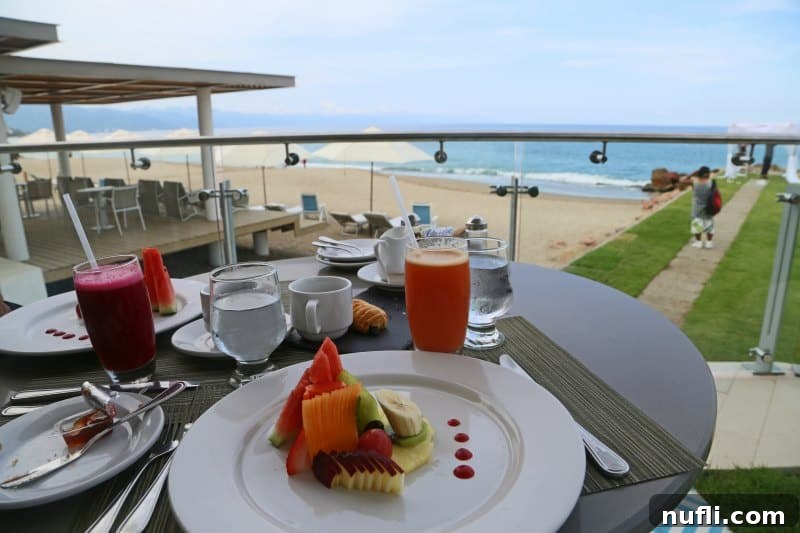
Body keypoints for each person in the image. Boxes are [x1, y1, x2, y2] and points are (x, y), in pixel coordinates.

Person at [681, 166, 715, 249]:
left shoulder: (694, 182)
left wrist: (692, 174)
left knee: (697, 223)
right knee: (709, 224)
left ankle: (698, 242)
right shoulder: (711, 182)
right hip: (709, 206)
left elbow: (682, 180)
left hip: (697, 206)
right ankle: (709, 242)